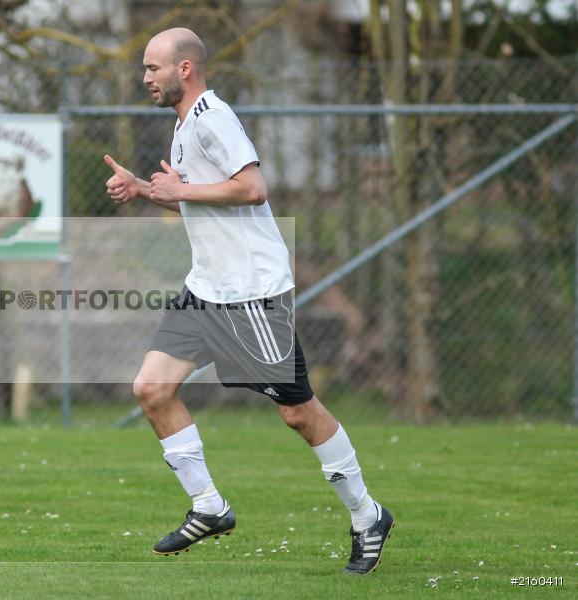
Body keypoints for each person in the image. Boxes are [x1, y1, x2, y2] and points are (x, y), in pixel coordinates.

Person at [102, 28, 393, 575]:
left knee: (297, 412)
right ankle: (209, 506)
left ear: (184, 69)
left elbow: (252, 188)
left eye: (152, 69)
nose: (145, 79)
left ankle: (366, 513)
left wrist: (179, 190)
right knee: (152, 388)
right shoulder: (184, 124)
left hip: (250, 293)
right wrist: (147, 189)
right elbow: (201, 203)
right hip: (207, 287)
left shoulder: (213, 117)